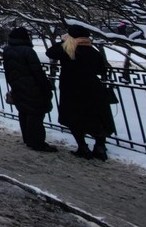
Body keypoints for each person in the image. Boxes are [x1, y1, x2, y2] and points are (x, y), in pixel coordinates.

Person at [45, 24, 116, 160]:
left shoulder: (68, 49)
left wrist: (64, 41)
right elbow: (101, 70)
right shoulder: (93, 51)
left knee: (74, 118)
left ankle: (82, 147)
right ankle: (100, 147)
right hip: (93, 88)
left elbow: (50, 52)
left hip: (71, 89)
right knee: (96, 117)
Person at [2, 26, 56, 151]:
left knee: (24, 111)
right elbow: (37, 71)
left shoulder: (7, 50)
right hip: (32, 87)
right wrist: (46, 86)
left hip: (17, 85)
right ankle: (37, 142)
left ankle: (28, 139)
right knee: (35, 113)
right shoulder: (27, 51)